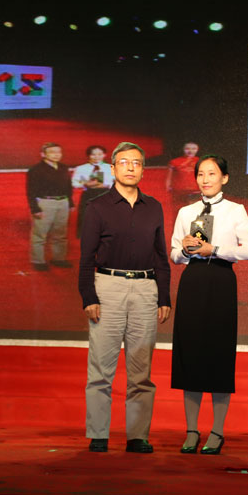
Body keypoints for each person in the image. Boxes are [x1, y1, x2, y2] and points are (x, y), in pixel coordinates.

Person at [79, 141, 171, 454]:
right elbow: (86, 257)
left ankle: (137, 436)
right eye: (124, 162)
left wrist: (164, 297)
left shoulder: (154, 207)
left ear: (143, 169)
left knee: (141, 370)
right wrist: (88, 296)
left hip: (146, 289)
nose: (130, 168)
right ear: (113, 168)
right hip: (107, 287)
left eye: (136, 163)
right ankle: (98, 434)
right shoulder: (97, 207)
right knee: (101, 368)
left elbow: (161, 256)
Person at [170, 155, 248, 455]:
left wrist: (215, 249)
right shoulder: (186, 211)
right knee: (191, 353)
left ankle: (217, 431)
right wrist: (184, 251)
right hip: (192, 281)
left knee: (219, 354)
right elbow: (174, 254)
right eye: (201, 174)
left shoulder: (236, 210)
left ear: (225, 178)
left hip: (221, 281)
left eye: (212, 173)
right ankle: (191, 431)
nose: (205, 179)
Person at [26, 142, 73, 271]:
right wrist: (35, 208)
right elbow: (31, 191)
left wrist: (70, 202)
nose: (56, 155)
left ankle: (59, 258)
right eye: (52, 152)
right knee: (40, 234)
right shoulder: (35, 170)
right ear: (43, 154)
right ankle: (38, 261)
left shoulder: (63, 167)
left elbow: (68, 186)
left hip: (63, 202)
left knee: (60, 233)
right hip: (45, 203)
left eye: (59, 152)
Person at [71, 145, 114, 238]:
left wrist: (107, 185)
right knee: (87, 219)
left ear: (104, 155)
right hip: (88, 195)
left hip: (106, 195)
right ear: (88, 155)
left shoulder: (111, 168)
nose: (96, 157)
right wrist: (85, 184)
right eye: (93, 154)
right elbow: (74, 182)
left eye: (99, 154)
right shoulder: (81, 168)